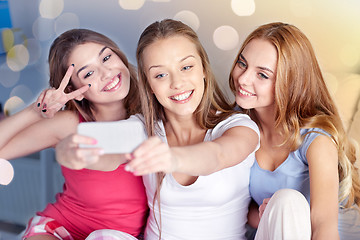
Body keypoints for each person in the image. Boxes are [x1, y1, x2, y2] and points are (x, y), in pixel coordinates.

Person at [0, 29, 148, 240]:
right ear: (74, 88)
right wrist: (35, 110)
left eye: (106, 57)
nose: (107, 73)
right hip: (62, 228)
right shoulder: (70, 124)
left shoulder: (152, 110)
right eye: (89, 73)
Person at [122, 19, 260, 240]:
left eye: (186, 67)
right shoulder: (142, 128)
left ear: (203, 68)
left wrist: (171, 158)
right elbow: (98, 147)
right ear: (149, 85)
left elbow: (218, 155)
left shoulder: (239, 126)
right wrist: (72, 151)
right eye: (160, 75)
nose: (177, 83)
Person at [229, 22, 360, 240]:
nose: (243, 79)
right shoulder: (237, 125)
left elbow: (323, 227)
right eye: (242, 64)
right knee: (284, 203)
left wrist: (285, 212)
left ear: (290, 83)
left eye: (262, 75)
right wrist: (271, 215)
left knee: (288, 200)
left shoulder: (316, 140)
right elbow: (243, 209)